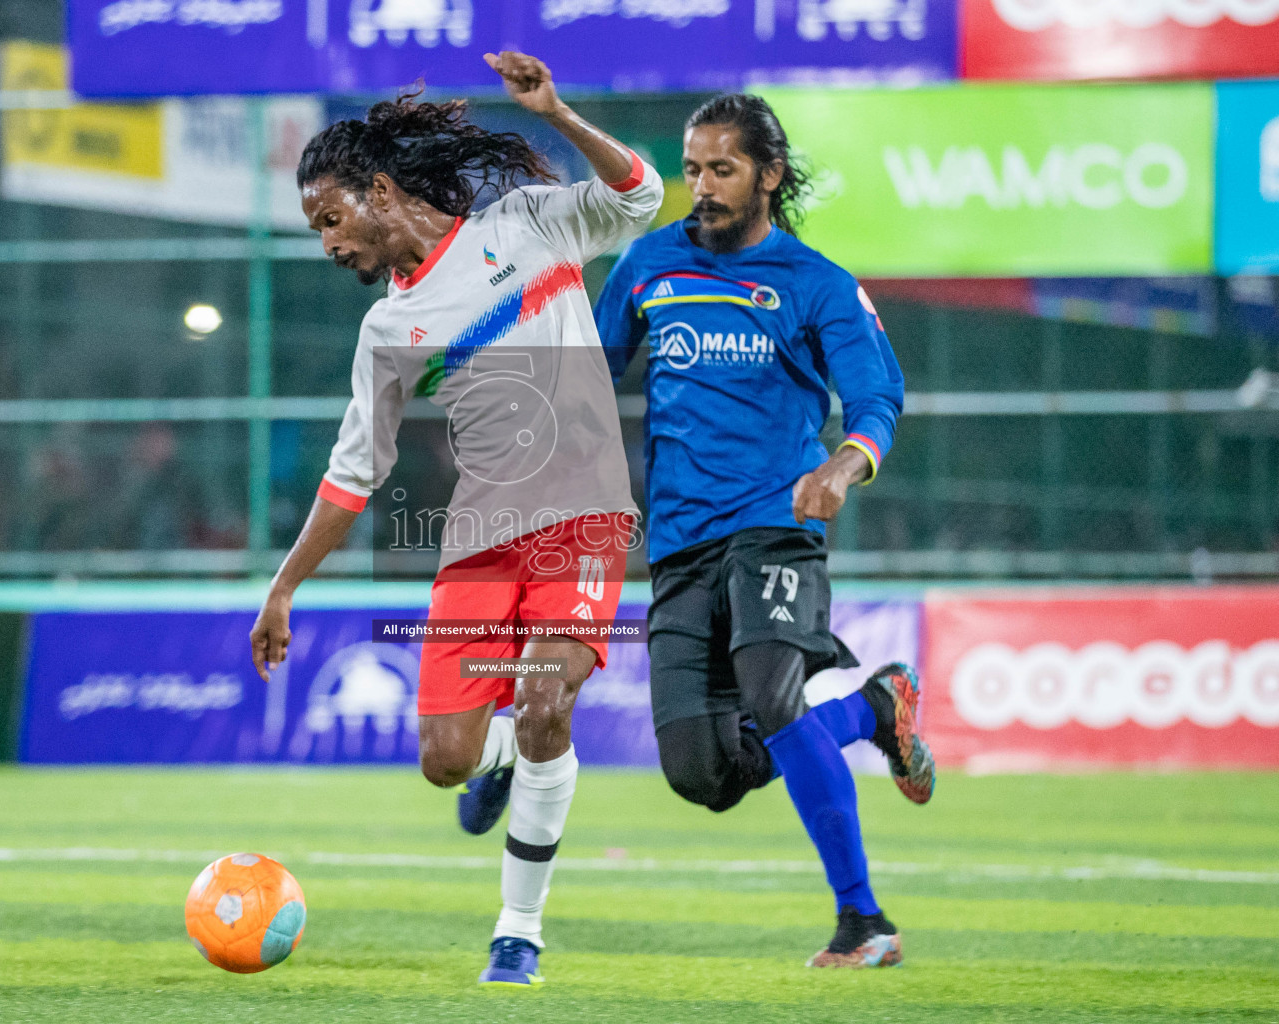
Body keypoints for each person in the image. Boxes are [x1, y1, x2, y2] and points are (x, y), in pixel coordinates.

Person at [250, 51, 662, 988]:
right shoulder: (386, 333)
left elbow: (639, 195)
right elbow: (353, 476)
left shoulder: (523, 227)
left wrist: (557, 111)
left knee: (548, 699)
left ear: (380, 192)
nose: (326, 244)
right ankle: (505, 757)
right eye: (314, 229)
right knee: (445, 762)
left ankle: (518, 934)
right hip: (481, 539)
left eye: (330, 219)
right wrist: (284, 587)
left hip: (585, 519)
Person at [594, 93, 935, 968]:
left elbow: (876, 400)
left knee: (774, 693)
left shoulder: (816, 284)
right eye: (693, 168)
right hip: (677, 543)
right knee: (702, 778)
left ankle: (862, 921)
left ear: (769, 177)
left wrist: (841, 468)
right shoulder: (645, 265)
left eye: (722, 169)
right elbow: (590, 381)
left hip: (774, 525)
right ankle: (872, 709)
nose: (700, 187)